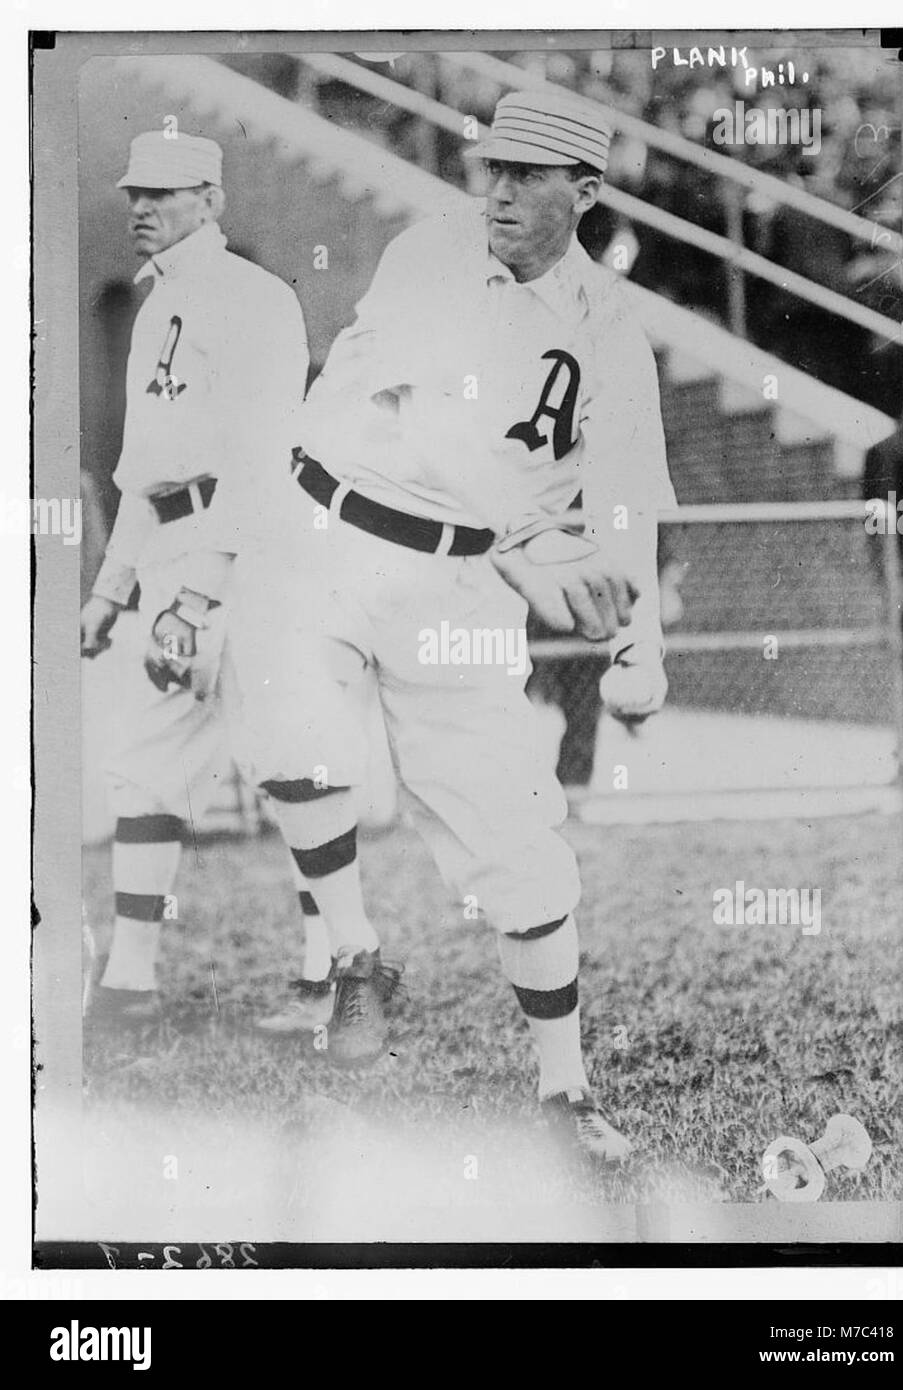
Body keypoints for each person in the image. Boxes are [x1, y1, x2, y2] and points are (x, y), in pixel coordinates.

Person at [237, 89, 676, 1162]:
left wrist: (639, 640)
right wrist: (532, 540)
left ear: (585, 191)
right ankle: (353, 956)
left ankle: (563, 1096)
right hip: (324, 529)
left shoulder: (613, 332)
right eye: (490, 166)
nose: (498, 189)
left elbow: (622, 500)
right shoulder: (431, 251)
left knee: (515, 847)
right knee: (290, 741)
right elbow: (428, 417)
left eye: (527, 174)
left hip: (459, 585)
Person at [80, 131, 335, 1034]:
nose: (141, 208)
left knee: (292, 768)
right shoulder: (154, 308)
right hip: (172, 553)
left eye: (164, 193)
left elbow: (264, 462)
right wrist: (114, 592)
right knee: (145, 772)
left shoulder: (258, 299)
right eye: (133, 193)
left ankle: (327, 979)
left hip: (252, 555)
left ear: (212, 200)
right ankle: (129, 987)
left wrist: (198, 599)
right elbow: (144, 473)